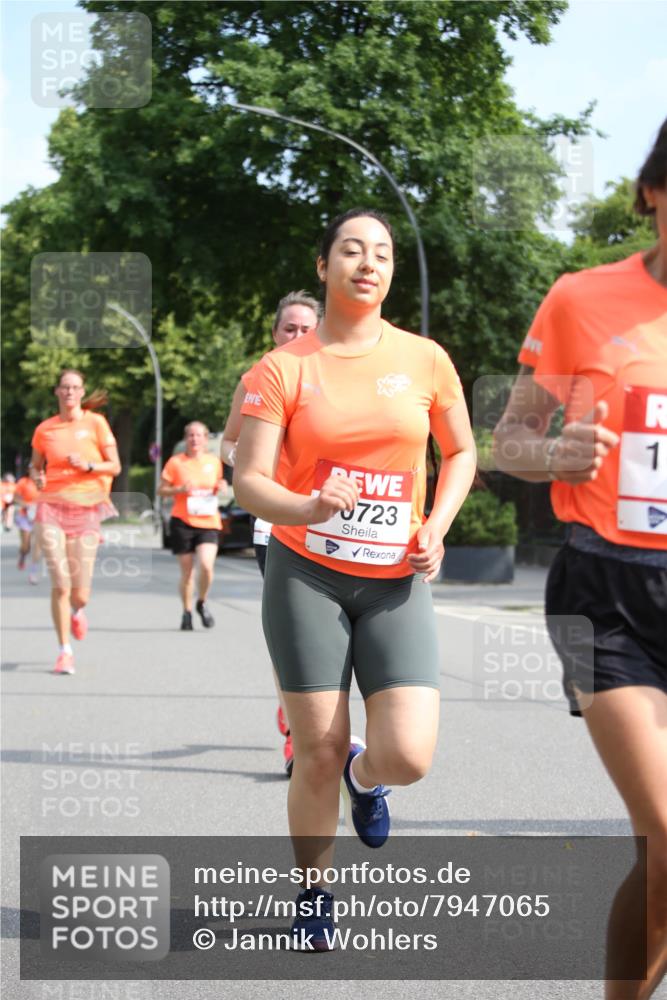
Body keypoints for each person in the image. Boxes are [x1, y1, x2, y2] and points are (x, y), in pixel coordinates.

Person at [234, 208, 476, 948]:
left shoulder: (426, 359)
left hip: (395, 577)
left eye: (381, 253)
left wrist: (433, 527)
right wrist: (306, 504)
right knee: (316, 748)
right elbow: (247, 479)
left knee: (407, 753)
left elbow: (460, 452)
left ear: (390, 270)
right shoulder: (284, 368)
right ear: (323, 266)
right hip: (306, 573)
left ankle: (365, 782)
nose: (366, 263)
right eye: (350, 250)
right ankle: (314, 891)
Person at [493, 119, 667, 999]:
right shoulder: (581, 299)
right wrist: (552, 454)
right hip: (606, 589)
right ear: (651, 192)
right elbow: (509, 439)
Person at [222, 290, 321, 777]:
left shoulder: (339, 371)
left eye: (306, 329)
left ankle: (311, 721)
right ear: (275, 332)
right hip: (276, 525)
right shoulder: (259, 377)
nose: (298, 336)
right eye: (289, 329)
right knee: (295, 636)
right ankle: (297, 735)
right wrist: (247, 463)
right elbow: (228, 441)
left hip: (338, 528)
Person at [30, 369, 121, 675]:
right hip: (52, 507)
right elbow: (34, 466)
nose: (69, 392)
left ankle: (79, 610)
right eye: (64, 387)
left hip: (86, 509)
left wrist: (89, 465)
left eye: (75, 387)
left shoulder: (96, 423)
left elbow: (116, 466)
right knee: (60, 583)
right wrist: (37, 476)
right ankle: (64, 650)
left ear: (82, 393)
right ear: (57, 391)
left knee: (80, 592)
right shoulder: (45, 429)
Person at [158, 421, 227, 631]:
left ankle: (202, 601)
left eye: (199, 436)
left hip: (208, 522)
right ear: (185, 439)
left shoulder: (214, 462)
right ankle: (186, 611)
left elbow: (220, 483)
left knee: (206, 566)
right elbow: (162, 490)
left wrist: (221, 486)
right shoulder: (175, 463)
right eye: (190, 436)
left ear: (206, 440)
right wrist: (179, 489)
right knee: (187, 572)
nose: (194, 439)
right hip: (183, 521)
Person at [14, 470, 42, 583]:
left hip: (39, 516)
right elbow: (16, 497)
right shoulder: (23, 482)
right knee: (26, 546)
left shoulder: (44, 482)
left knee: (37, 546)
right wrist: (26, 505)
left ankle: (33, 572)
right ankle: (23, 556)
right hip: (25, 516)